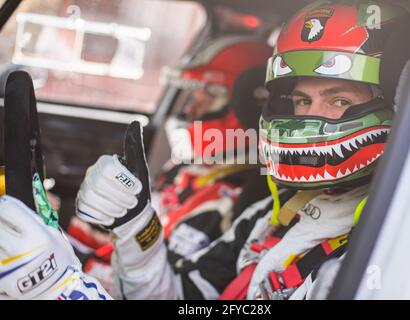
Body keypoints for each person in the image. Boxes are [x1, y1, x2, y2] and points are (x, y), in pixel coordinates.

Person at [0, 0, 410, 300]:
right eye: (302, 102)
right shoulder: (269, 216)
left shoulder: (382, 251)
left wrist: (64, 291)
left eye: (339, 100)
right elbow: (181, 301)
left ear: (398, 105)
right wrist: (135, 225)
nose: (309, 118)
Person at [65, 35, 272, 297]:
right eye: (191, 98)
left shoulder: (243, 197)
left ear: (247, 107)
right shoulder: (183, 168)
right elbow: (120, 245)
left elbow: (165, 284)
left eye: (206, 99)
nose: (191, 111)